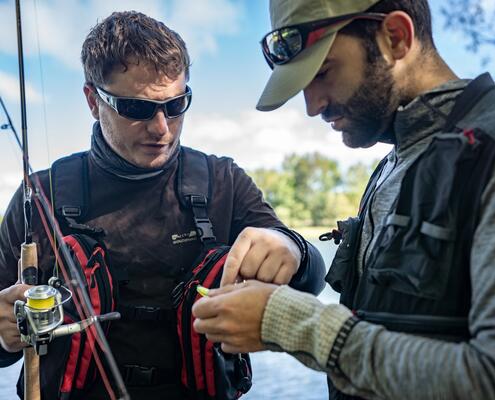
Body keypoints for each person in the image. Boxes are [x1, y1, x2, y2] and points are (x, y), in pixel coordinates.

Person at [0, 11, 326, 399]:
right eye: (137, 109)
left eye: (176, 105)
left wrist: (295, 250)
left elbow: (310, 281)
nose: (161, 128)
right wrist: (3, 334)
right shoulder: (40, 194)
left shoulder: (223, 181)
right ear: (92, 101)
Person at [192, 0, 495, 399]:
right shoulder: (392, 163)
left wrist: (293, 323)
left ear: (396, 37)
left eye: (322, 73)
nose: (311, 106)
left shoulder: (490, 152)